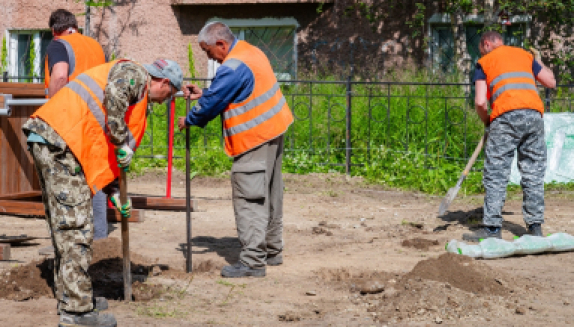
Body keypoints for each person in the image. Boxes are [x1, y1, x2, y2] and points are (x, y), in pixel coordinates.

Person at [23, 58, 183, 327]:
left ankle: (73, 296)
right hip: (61, 140)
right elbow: (114, 100)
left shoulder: (138, 98)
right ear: (164, 82)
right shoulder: (134, 74)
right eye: (171, 93)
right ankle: (76, 312)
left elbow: (101, 146)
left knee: (65, 226)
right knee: (77, 229)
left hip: (57, 141)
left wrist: (114, 193)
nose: (167, 100)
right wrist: (121, 140)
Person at [177, 22, 293, 278]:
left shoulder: (231, 67)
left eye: (208, 51)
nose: (209, 58)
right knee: (270, 193)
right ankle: (272, 251)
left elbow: (212, 104)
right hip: (274, 130)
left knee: (250, 197)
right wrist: (207, 93)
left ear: (221, 44)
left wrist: (190, 119)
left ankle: (252, 262)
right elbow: (236, 91)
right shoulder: (250, 52)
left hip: (253, 139)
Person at [463, 31, 556, 242]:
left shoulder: (484, 62)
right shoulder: (525, 56)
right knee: (533, 171)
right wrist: (538, 61)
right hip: (533, 116)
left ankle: (493, 229)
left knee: (496, 172)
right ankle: (535, 227)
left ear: (486, 43)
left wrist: (487, 121)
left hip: (505, 118)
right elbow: (550, 81)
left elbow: (479, 102)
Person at [42, 9, 109, 247]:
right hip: (97, 119)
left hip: (72, 120)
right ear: (75, 26)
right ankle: (100, 239)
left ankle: (69, 242)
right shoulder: (95, 46)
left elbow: (60, 77)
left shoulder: (59, 45)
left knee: (65, 178)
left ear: (54, 31)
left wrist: (53, 113)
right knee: (95, 176)